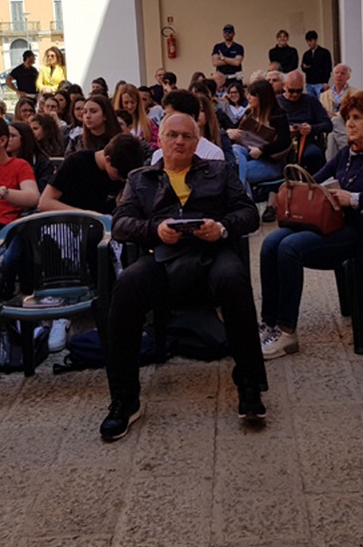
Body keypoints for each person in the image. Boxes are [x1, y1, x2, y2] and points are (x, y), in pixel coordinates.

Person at [101, 114, 266, 441]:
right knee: (127, 286)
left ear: (197, 142)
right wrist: (155, 229)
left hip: (211, 255)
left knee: (234, 279)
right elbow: (120, 223)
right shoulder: (140, 178)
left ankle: (249, 385)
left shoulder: (219, 171)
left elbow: (249, 213)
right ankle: (124, 398)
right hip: (162, 258)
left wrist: (222, 227)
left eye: (187, 136)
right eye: (172, 135)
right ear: (159, 140)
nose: (179, 141)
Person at [259, 92, 363, 359]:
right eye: (348, 118)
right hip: (333, 225)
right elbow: (314, 180)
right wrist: (293, 188)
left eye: (357, 118)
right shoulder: (346, 153)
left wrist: (353, 198)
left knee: (289, 247)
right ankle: (269, 322)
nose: (350, 124)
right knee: (271, 242)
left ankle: (287, 332)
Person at [39, 134, 144, 214]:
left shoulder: (121, 171)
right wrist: (85, 215)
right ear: (108, 160)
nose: (121, 180)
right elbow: (45, 202)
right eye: (119, 175)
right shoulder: (75, 162)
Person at [227, 80, 291, 198]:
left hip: (270, 161)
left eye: (252, 95)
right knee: (236, 149)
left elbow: (285, 141)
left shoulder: (278, 115)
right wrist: (229, 132)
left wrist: (262, 150)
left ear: (262, 97)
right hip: (247, 155)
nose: (248, 97)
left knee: (239, 171)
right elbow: (235, 129)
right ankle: (243, 198)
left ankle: (241, 198)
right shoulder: (249, 113)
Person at [277, 70, 332, 172]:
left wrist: (311, 128)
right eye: (291, 90)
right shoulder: (276, 102)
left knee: (314, 154)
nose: (295, 94)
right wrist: (285, 129)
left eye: (299, 91)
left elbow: (328, 125)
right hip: (283, 142)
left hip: (306, 141)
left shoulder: (311, 101)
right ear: (284, 86)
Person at [151, 91, 225, 162]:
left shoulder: (212, 153)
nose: (167, 120)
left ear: (191, 118)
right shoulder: (159, 155)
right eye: (164, 116)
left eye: (172, 116)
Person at [320, 63, 359, 160]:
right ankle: (350, 154)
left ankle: (331, 166)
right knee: (332, 135)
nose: (339, 75)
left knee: (334, 127)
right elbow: (321, 115)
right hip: (330, 129)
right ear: (333, 75)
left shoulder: (356, 93)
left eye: (342, 73)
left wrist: (334, 116)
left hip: (348, 127)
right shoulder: (324, 96)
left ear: (348, 77)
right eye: (337, 73)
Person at [7, 121, 55, 192]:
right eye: (6, 136)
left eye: (12, 136)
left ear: (24, 138)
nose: (7, 140)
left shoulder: (42, 163)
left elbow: (43, 190)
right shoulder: (0, 160)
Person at [300, 30, 333, 98]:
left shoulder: (324, 52)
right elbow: (303, 67)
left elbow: (328, 68)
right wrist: (304, 67)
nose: (309, 43)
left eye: (311, 41)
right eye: (307, 41)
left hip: (320, 82)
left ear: (315, 40)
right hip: (309, 82)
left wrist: (325, 81)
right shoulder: (306, 54)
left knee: (321, 100)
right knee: (311, 102)